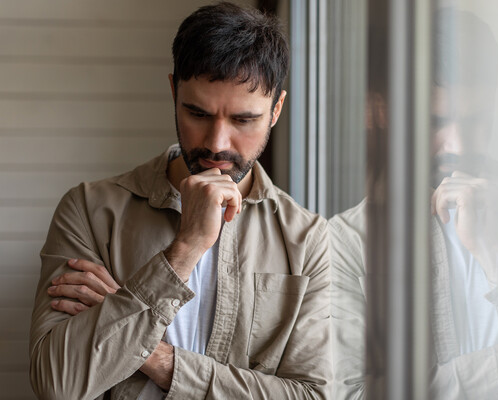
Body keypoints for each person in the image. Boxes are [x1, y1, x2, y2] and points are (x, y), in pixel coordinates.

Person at [29, 3, 332, 399]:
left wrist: (152, 354)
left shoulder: (307, 238)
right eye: (197, 113)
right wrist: (185, 248)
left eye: (243, 120)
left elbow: (313, 395)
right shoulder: (89, 210)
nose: (217, 144)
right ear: (174, 93)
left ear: (276, 110)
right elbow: (56, 385)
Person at [330, 7, 498, 400]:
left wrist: (493, 253)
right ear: (385, 113)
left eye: (477, 120)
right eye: (436, 122)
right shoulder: (346, 243)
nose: (459, 144)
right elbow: (353, 395)